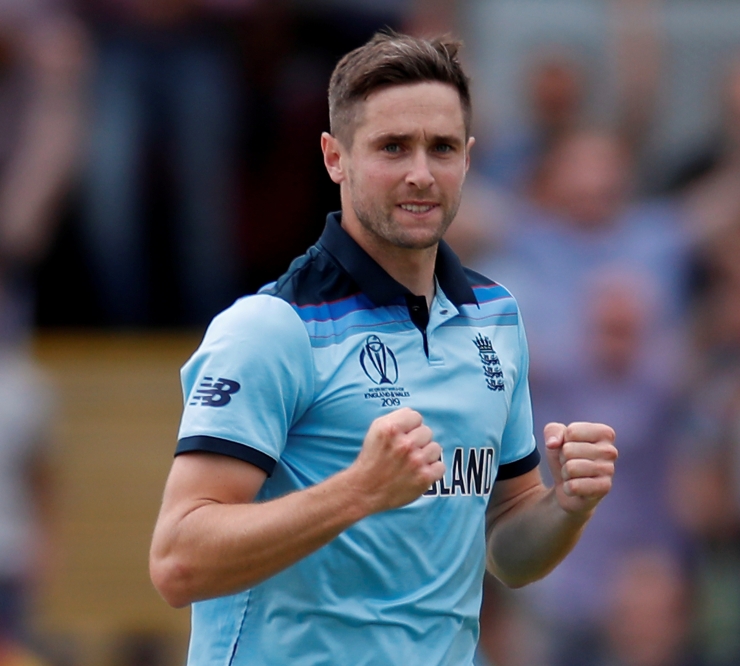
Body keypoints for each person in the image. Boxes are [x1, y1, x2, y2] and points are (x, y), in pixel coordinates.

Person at [148, 31, 618, 665]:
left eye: (442, 148)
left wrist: (565, 506)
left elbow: (507, 549)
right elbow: (178, 561)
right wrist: (358, 491)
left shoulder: (496, 318)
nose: (420, 174)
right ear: (334, 157)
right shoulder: (272, 328)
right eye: (393, 147)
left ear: (469, 159)